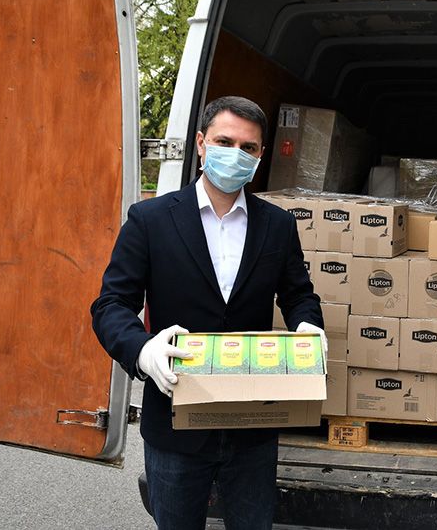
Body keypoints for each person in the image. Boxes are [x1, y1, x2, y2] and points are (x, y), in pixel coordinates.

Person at [91, 96, 324, 529]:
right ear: (201, 144)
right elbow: (111, 305)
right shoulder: (150, 220)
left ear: (260, 156)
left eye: (248, 147)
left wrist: (308, 324)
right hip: (176, 425)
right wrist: (142, 352)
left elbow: (298, 295)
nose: (235, 154)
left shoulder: (277, 225)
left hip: (252, 425)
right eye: (224, 141)